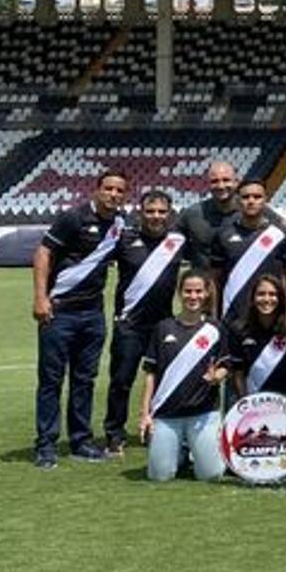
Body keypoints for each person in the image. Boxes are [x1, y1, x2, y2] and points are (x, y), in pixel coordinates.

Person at [31, 167, 128, 469]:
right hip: (60, 311)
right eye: (108, 188)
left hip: (93, 313)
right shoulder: (73, 217)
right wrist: (40, 297)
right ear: (97, 190)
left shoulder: (120, 225)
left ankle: (80, 441)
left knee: (84, 380)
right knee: (51, 380)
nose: (113, 194)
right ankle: (46, 445)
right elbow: (43, 253)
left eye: (119, 191)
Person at [104, 188, 185, 456]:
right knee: (121, 380)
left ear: (170, 214)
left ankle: (158, 429)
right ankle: (114, 434)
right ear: (141, 213)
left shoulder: (178, 241)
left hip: (163, 325)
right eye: (150, 211)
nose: (156, 216)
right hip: (130, 324)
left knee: (164, 381)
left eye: (162, 212)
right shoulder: (125, 240)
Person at [139, 271, 231, 483]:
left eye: (198, 291)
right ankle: (179, 452)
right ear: (180, 294)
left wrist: (216, 376)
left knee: (212, 475)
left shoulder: (215, 328)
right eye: (188, 291)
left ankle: (193, 450)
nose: (193, 296)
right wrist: (145, 414)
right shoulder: (163, 328)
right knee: (160, 476)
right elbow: (150, 375)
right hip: (166, 414)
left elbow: (226, 365)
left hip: (203, 414)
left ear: (206, 293)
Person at [210, 178, 286, 323]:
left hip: (270, 313)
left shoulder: (281, 234)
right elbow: (214, 279)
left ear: (265, 200)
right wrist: (213, 315)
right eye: (245, 197)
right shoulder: (223, 234)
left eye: (257, 197)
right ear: (238, 200)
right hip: (233, 314)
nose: (251, 201)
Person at [229, 274, 286, 405]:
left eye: (272, 294)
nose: (267, 299)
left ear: (281, 298)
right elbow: (238, 373)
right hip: (254, 403)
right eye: (261, 294)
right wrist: (245, 404)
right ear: (253, 298)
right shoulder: (239, 329)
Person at [175, 159, 242, 267]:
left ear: (237, 182)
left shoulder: (253, 211)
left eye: (226, 180)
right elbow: (172, 239)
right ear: (208, 184)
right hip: (203, 279)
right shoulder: (192, 214)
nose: (221, 186)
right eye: (215, 181)